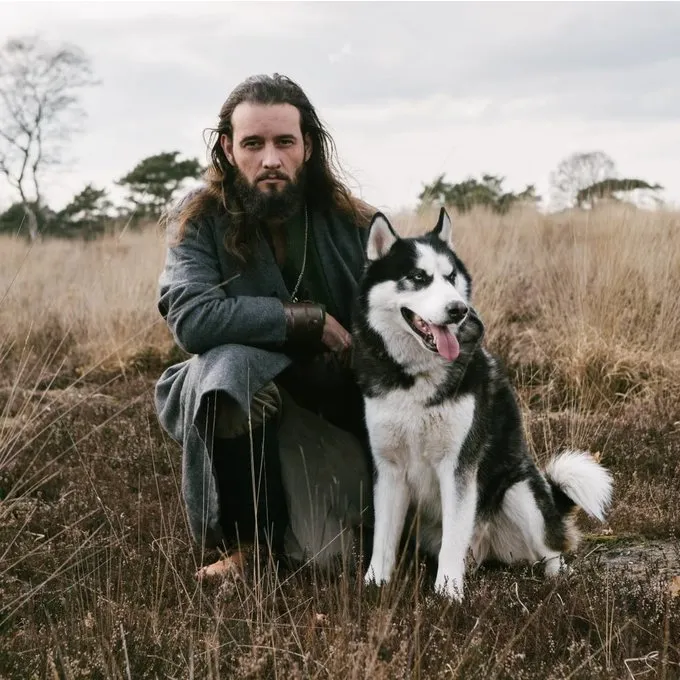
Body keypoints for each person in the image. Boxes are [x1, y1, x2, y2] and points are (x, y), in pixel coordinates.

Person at [154, 73, 376, 580]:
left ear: (308, 147)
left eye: (284, 142)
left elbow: (408, 316)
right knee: (227, 370)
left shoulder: (356, 225)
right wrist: (307, 321)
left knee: (324, 558)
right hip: (249, 402)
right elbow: (191, 317)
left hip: (333, 419)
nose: (270, 159)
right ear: (228, 149)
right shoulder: (198, 219)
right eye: (253, 143)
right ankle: (248, 544)